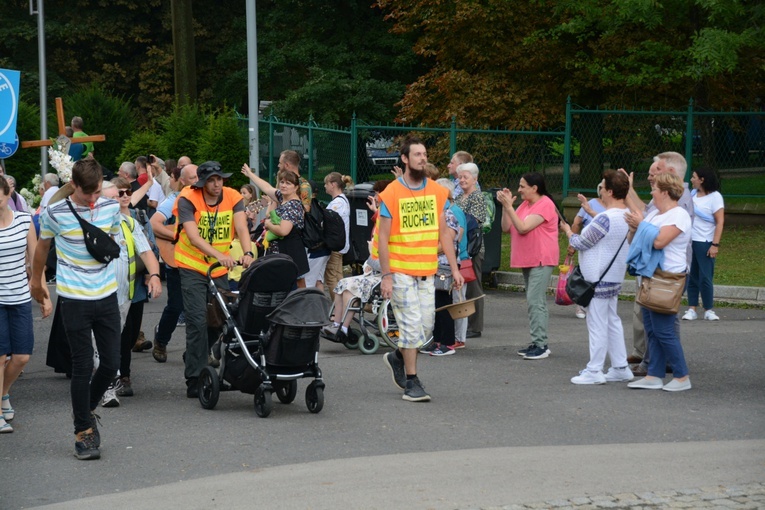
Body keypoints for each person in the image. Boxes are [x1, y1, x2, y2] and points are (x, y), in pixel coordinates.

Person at [31, 158, 123, 460]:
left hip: (107, 294)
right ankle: (83, 431)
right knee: (83, 366)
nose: (93, 199)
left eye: (97, 192)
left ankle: (87, 408)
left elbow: (108, 241)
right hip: (73, 298)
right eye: (88, 194)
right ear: (74, 186)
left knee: (111, 364)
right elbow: (42, 248)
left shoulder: (110, 208)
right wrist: (37, 282)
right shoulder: (55, 213)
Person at [377, 136, 464, 402]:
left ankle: (397, 357)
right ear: (404, 159)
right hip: (401, 270)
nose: (422, 158)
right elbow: (382, 238)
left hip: (429, 271)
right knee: (412, 327)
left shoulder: (437, 192)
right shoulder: (391, 193)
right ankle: (412, 382)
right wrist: (386, 276)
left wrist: (455, 269)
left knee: (425, 329)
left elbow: (445, 233)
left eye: (424, 154)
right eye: (417, 154)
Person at [173, 161, 253, 398]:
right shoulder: (188, 198)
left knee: (218, 321)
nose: (217, 184)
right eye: (211, 180)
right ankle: (194, 378)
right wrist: (220, 255)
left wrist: (247, 252)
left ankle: (196, 353)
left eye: (220, 179)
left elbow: (241, 227)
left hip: (218, 269)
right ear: (201, 182)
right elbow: (193, 236)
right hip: (192, 265)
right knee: (197, 319)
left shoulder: (232, 196)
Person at [622, 152, 694, 376]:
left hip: (667, 276)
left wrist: (641, 225)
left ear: (666, 190)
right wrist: (637, 226)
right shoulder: (657, 211)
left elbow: (660, 240)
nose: (651, 185)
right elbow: (640, 228)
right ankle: (654, 372)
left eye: (654, 181)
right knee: (653, 328)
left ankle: (679, 374)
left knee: (665, 330)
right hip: (651, 274)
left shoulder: (680, 210)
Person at [560, 171, 633, 384]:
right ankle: (620, 366)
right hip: (614, 274)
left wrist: (567, 231)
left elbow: (582, 243)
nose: (600, 189)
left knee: (597, 322)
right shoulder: (627, 214)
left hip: (598, 276)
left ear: (610, 191)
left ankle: (594, 370)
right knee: (611, 320)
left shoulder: (606, 218)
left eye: (602, 186)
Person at [100, 178, 162, 406]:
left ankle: (113, 378)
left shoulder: (133, 222)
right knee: (102, 341)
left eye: (122, 195)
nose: (121, 198)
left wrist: (153, 275)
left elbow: (148, 252)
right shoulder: (87, 222)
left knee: (121, 337)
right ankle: (108, 385)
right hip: (93, 294)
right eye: (115, 195)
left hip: (128, 292)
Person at [0, 176, 53, 433]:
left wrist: (44, 296)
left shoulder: (24, 221)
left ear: (7, 195)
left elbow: (36, 262)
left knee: (21, 357)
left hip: (20, 296)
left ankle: (3, 393)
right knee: (0, 358)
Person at [497, 172, 559, 360]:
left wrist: (510, 207)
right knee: (533, 301)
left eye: (523, 186)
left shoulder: (546, 204)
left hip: (541, 258)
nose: (519, 189)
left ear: (535, 188)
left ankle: (541, 344)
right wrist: (506, 207)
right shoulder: (525, 204)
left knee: (535, 301)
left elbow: (523, 227)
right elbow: (507, 227)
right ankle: (537, 341)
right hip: (528, 258)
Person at [324, 180, 391, 341]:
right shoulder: (382, 215)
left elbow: (384, 254)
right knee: (342, 284)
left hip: (386, 273)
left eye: (377, 193)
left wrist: (371, 262)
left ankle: (344, 328)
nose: (375, 196)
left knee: (350, 289)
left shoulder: (389, 219)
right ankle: (337, 324)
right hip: (375, 269)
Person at [150, 164, 198, 363]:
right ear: (183, 181)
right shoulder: (174, 199)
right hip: (176, 260)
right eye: (194, 177)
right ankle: (161, 340)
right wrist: (178, 235)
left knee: (201, 308)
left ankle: (196, 351)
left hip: (198, 261)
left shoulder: (205, 200)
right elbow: (154, 223)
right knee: (176, 305)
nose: (198, 180)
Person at [241, 165, 310, 282]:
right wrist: (250, 174)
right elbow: (267, 187)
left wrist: (268, 225)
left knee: (292, 287)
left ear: (296, 187)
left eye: (288, 183)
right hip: (281, 253)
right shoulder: (283, 198)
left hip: (290, 252)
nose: (283, 185)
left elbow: (284, 230)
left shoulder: (293, 205)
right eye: (282, 182)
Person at [423, 178, 465, 357]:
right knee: (435, 304)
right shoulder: (437, 213)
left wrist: (426, 251)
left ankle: (447, 343)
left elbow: (447, 241)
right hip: (434, 265)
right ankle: (437, 340)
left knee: (443, 304)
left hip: (444, 267)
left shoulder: (447, 215)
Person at [682, 167, 724, 322]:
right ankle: (691, 308)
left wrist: (715, 244)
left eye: (694, 177)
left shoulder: (715, 197)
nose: (691, 179)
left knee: (705, 277)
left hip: (705, 242)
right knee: (691, 276)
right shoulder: (691, 195)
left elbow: (720, 222)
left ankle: (709, 309)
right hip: (690, 242)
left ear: (702, 179)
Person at [455, 162, 487, 341]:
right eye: (460, 177)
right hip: (460, 247)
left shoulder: (477, 197)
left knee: (474, 286)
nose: (461, 180)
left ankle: (475, 326)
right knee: (464, 287)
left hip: (473, 247)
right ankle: (463, 323)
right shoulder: (460, 197)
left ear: (475, 179)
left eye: (465, 177)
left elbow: (473, 221)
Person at [569, 183, 607, 319]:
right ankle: (581, 304)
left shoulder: (617, 207)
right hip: (588, 247)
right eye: (601, 187)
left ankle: (598, 306)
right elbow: (577, 222)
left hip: (606, 248)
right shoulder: (591, 203)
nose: (602, 190)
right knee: (586, 275)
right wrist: (572, 244)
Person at [321, 173, 352, 299]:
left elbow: (326, 222)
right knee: (339, 276)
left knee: (331, 277)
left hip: (335, 246)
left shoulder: (337, 204)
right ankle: (345, 303)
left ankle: (338, 306)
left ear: (333, 185)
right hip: (342, 245)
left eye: (326, 184)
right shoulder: (343, 200)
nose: (325, 186)